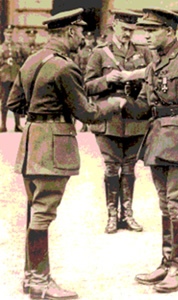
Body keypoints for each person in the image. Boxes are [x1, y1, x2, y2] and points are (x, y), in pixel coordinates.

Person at [7, 8, 125, 300]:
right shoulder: (65, 67)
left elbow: (14, 103)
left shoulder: (32, 60)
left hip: (31, 142)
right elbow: (87, 113)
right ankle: (40, 282)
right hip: (53, 145)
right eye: (81, 33)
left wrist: (42, 111)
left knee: (36, 211)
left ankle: (30, 277)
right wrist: (114, 103)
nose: (83, 38)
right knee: (43, 213)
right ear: (70, 32)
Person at [122, 7, 178, 293]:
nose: (145, 36)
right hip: (159, 140)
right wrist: (123, 100)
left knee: (177, 204)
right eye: (144, 31)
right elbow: (147, 107)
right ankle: (165, 263)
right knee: (165, 203)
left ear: (170, 32)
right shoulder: (155, 64)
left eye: (152, 31)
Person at [85, 9, 152, 234]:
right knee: (112, 166)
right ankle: (112, 215)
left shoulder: (143, 52)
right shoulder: (100, 53)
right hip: (109, 119)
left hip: (135, 117)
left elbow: (151, 80)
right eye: (124, 30)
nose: (127, 35)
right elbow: (87, 86)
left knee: (130, 166)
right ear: (114, 26)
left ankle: (128, 213)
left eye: (132, 31)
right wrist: (105, 80)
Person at [0, 25, 24, 132]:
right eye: (7, 33)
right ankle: (3, 125)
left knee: (16, 100)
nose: (9, 35)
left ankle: (17, 125)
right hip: (5, 77)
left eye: (10, 33)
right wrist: (4, 62)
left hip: (15, 77)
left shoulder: (17, 48)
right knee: (4, 100)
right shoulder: (1, 47)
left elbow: (22, 60)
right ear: (4, 34)